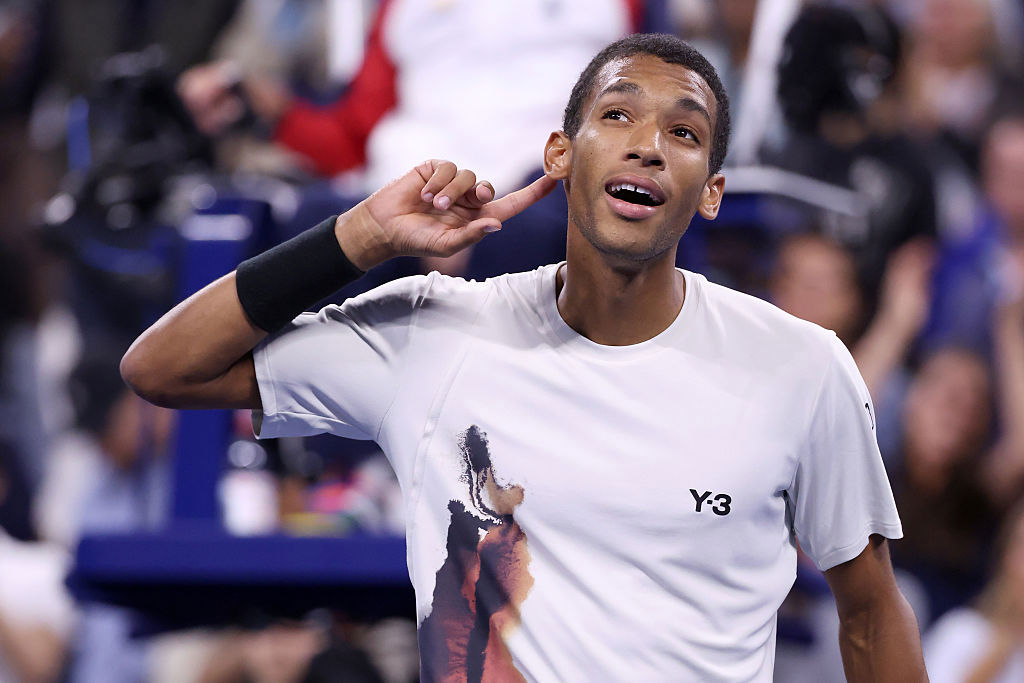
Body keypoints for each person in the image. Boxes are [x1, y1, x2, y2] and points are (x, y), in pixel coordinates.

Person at [122, 34, 926, 681]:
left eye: (683, 132)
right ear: (558, 156)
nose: (648, 145)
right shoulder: (434, 336)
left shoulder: (803, 367)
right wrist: (360, 235)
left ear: (709, 190)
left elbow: (870, 612)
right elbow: (163, 367)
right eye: (618, 116)